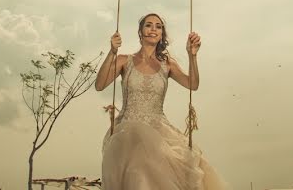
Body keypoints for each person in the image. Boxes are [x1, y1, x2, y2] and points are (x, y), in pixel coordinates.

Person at [95, 13, 228, 189]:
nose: (153, 30)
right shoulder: (124, 61)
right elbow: (100, 84)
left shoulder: (167, 64)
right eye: (148, 25)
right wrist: (112, 52)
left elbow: (192, 84)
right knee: (137, 169)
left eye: (158, 26)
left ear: (162, 34)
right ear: (140, 32)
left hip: (158, 129)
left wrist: (192, 56)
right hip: (128, 132)